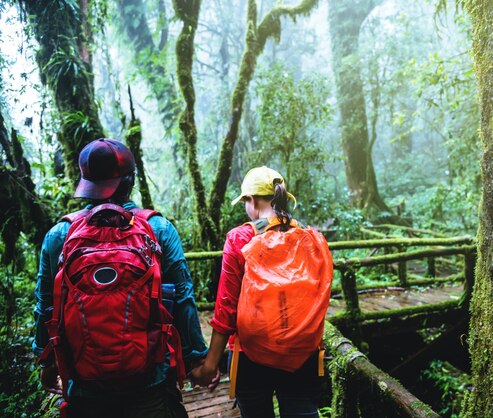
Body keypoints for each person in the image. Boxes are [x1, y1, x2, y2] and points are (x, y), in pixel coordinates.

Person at [34, 138, 208, 418]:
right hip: (151, 384)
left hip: (84, 388)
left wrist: (48, 361)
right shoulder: (157, 228)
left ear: (85, 182)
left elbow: (46, 306)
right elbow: (183, 295)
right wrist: (196, 358)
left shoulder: (59, 235)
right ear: (131, 180)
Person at [192, 166, 333, 418]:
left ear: (252, 200)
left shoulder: (239, 238)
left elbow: (226, 307)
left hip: (251, 357)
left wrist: (209, 364)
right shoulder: (311, 238)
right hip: (302, 354)